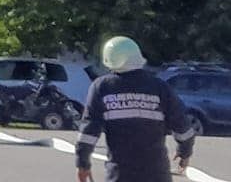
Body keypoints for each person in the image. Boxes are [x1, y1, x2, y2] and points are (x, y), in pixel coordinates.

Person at [77, 36, 194, 182]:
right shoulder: (159, 87)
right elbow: (182, 125)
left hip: (120, 174)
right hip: (157, 174)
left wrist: (83, 163)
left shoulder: (102, 87)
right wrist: (184, 152)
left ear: (109, 60)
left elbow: (89, 130)